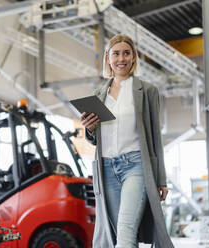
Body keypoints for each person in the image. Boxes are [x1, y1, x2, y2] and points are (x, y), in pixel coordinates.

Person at [81, 34, 174, 248]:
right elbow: (96, 139)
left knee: (125, 230)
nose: (121, 59)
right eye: (116, 53)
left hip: (136, 166)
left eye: (126, 53)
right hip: (106, 168)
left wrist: (161, 179)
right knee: (115, 233)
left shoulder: (147, 91)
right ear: (108, 57)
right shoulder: (98, 94)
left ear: (133, 57)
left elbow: (155, 138)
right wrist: (90, 128)